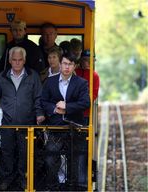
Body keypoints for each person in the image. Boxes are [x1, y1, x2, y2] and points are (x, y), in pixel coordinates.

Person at [0, 47, 45, 190]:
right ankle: (7, 178)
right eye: (14, 60)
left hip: (27, 122)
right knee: (7, 152)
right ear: (10, 61)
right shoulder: (1, 76)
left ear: (24, 60)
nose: (17, 63)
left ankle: (23, 178)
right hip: (6, 122)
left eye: (20, 60)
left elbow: (38, 97)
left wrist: (39, 113)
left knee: (25, 152)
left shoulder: (33, 75)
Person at [41, 53, 90, 190]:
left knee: (74, 160)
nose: (67, 67)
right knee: (50, 159)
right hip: (55, 128)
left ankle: (72, 187)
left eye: (70, 64)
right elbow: (43, 101)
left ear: (74, 66)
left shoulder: (81, 82)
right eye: (64, 63)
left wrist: (67, 107)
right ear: (60, 64)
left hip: (74, 127)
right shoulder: (50, 81)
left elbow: (85, 103)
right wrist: (55, 110)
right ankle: (53, 186)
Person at [75, 50, 100, 125]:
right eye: (86, 60)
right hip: (71, 109)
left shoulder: (94, 75)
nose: (88, 62)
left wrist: (83, 102)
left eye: (91, 60)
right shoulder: (74, 72)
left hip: (85, 111)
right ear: (81, 60)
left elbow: (94, 94)